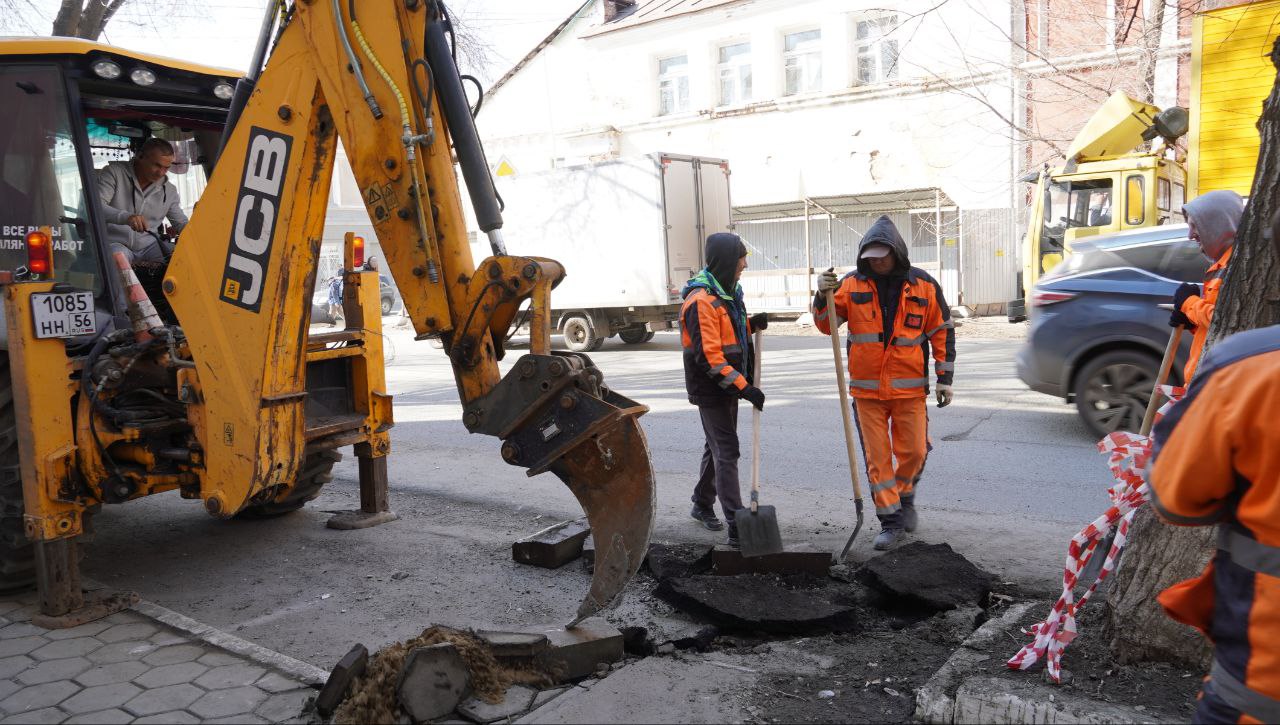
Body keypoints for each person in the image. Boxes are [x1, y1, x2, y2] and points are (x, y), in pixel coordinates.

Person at [1147, 207, 1280, 725]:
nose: (1190, 237)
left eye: (1196, 228)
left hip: (1262, 677)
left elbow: (1176, 497)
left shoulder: (1252, 369)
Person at [813, 215, 956, 551]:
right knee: (879, 460)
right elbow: (826, 325)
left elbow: (941, 331)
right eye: (870, 256)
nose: (876, 261)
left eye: (882, 255)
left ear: (896, 253)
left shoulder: (923, 285)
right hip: (867, 393)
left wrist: (944, 379)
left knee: (916, 451)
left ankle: (905, 497)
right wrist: (821, 296)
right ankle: (890, 522)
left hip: (910, 391)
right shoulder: (849, 285)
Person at [681, 232, 768, 548]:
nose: (744, 264)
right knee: (727, 450)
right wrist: (745, 387)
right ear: (725, 262)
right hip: (712, 387)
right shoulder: (701, 301)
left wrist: (750, 326)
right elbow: (710, 357)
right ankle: (736, 522)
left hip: (727, 385)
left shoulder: (728, 294)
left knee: (715, 446)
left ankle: (702, 503)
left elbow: (728, 335)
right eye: (740, 258)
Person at [1169, 190, 1245, 382]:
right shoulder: (1221, 266)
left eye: (1195, 226)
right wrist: (1193, 323)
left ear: (1217, 225)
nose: (1189, 235)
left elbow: (1227, 321)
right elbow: (1216, 328)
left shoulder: (1235, 269)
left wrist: (1189, 304)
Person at [97, 137, 189, 265]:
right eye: (157, 165)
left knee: (186, 258)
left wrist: (198, 231)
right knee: (117, 259)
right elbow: (96, 207)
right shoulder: (114, 172)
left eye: (166, 168)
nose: (161, 173)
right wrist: (126, 217)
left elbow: (180, 223)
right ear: (140, 156)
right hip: (116, 243)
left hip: (149, 246)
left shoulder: (170, 191)